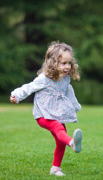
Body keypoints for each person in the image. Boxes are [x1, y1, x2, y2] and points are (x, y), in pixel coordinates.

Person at [10, 41, 82, 176]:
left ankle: (55, 169)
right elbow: (28, 87)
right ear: (54, 63)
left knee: (60, 142)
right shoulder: (44, 79)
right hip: (43, 115)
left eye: (69, 63)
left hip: (57, 113)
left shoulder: (66, 79)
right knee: (58, 128)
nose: (67, 66)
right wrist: (16, 95)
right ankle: (72, 143)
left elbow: (68, 93)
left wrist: (76, 106)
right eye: (63, 63)